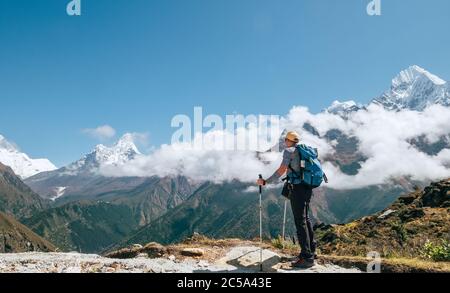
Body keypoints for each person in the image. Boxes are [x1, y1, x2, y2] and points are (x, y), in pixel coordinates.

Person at [256, 131, 317, 268]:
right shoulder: (304, 150)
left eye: (285, 140)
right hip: (308, 187)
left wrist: (266, 181)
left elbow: (282, 169)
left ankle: (307, 257)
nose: (284, 142)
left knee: (300, 221)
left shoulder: (289, 151)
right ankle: (311, 251)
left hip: (297, 188)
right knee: (306, 219)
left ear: (287, 140)